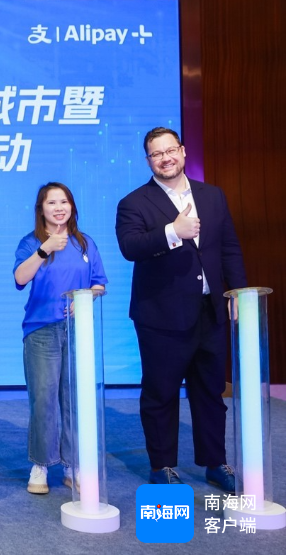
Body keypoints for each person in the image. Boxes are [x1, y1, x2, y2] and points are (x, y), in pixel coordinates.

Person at [116, 127, 247, 492]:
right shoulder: (134, 202)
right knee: (161, 394)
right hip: (161, 316)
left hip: (210, 310)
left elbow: (229, 247)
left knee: (210, 392)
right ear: (148, 161)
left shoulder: (212, 195)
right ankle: (163, 467)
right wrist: (173, 231)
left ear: (183, 151)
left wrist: (237, 292)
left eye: (170, 150)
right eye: (156, 154)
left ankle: (215, 462)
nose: (165, 158)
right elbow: (130, 247)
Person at [13, 182, 107, 494]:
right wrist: (45, 249)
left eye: (64, 201)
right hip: (41, 330)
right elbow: (20, 277)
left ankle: (72, 464)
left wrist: (86, 298)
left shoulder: (85, 243)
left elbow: (99, 283)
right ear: (41, 209)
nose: (58, 208)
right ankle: (40, 465)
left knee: (75, 399)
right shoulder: (31, 242)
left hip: (78, 331)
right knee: (44, 400)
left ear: (72, 207)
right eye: (51, 202)